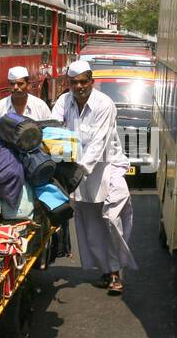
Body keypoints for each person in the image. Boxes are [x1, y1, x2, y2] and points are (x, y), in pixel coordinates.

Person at [51, 60, 135, 296]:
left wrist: (81, 170)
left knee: (111, 219)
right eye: (74, 82)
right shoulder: (63, 101)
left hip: (108, 167)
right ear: (68, 83)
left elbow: (99, 142)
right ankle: (107, 271)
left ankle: (117, 270)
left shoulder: (104, 104)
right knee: (90, 225)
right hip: (77, 172)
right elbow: (53, 128)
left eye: (83, 82)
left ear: (91, 82)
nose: (79, 87)